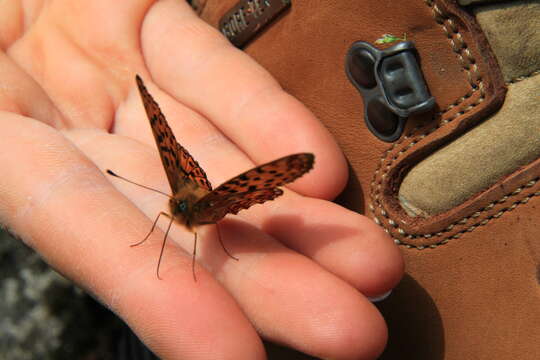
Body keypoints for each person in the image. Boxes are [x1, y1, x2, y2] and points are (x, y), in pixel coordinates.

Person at [0, 1, 403, 359]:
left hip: (217, 199)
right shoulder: (177, 200)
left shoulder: (198, 206)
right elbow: (166, 150)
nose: (168, 212)